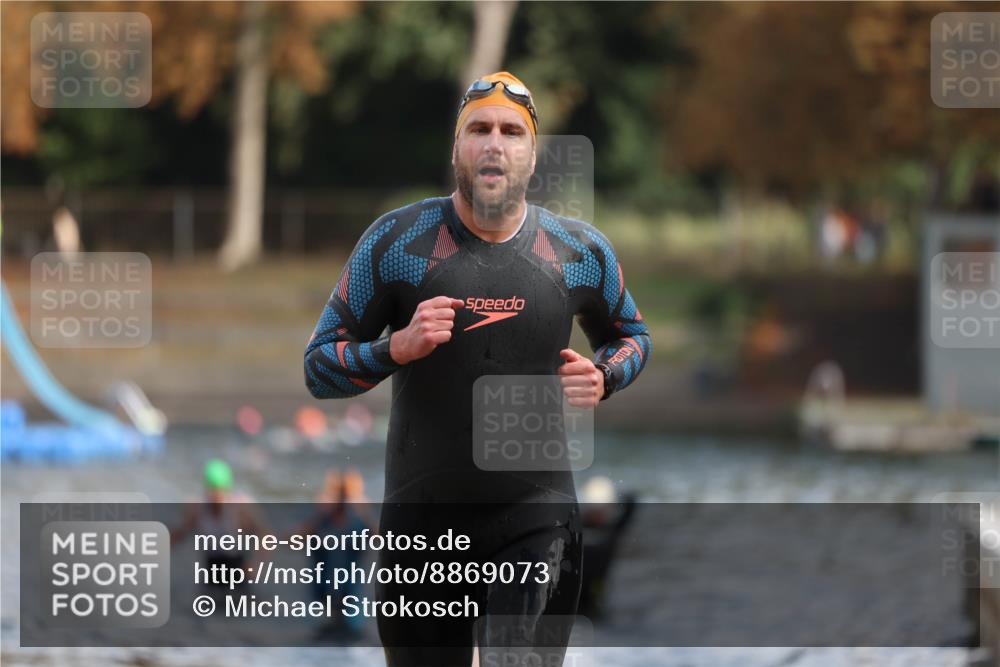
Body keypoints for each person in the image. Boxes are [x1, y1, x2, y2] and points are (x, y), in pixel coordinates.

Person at [303, 71, 652, 666]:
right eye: (479, 129)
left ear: (532, 156)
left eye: (512, 131)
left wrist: (605, 375)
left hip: (536, 525)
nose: (495, 142)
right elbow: (319, 367)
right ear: (457, 148)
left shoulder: (581, 252)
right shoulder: (396, 242)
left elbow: (632, 336)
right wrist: (395, 348)